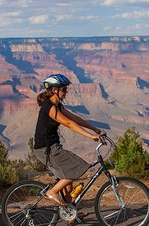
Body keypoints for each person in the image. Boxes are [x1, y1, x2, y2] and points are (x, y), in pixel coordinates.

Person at [33, 73, 104, 208]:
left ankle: (70, 214)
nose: (66, 92)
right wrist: (91, 136)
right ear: (55, 90)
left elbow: (75, 119)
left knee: (68, 183)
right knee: (77, 168)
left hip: (51, 147)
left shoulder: (57, 105)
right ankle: (52, 192)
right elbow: (68, 124)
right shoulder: (49, 107)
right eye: (64, 89)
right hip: (47, 149)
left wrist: (95, 129)